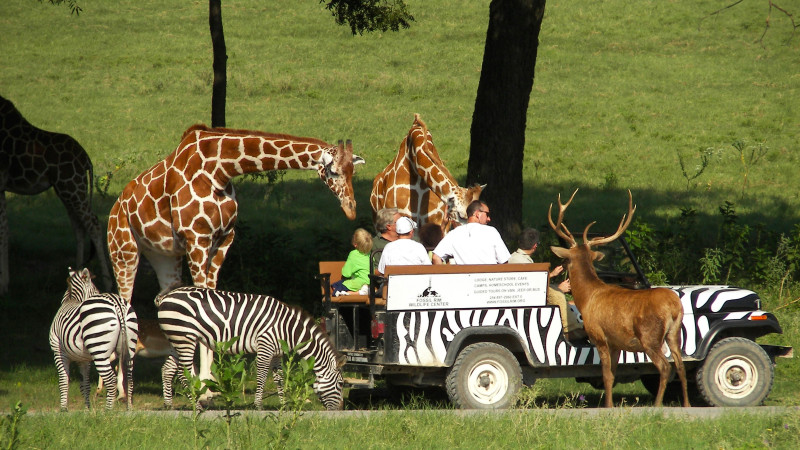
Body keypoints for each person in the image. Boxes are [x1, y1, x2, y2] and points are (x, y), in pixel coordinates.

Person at [509, 228, 583, 339]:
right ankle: (572, 329)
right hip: (528, 299)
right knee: (559, 296)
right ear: (535, 246)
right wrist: (559, 289)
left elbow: (531, 282)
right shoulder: (524, 262)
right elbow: (533, 288)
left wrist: (552, 274)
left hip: (522, 295)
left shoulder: (514, 258)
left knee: (568, 301)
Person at [431, 200, 510, 265]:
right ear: (477, 214)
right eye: (487, 214)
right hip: (487, 282)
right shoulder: (491, 231)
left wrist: (446, 279)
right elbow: (504, 261)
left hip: (464, 282)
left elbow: (435, 257)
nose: (489, 219)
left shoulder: (454, 233)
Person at [331, 228, 373, 296]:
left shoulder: (353, 254)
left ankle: (354, 293)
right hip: (369, 283)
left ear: (355, 244)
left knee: (336, 289)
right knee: (337, 284)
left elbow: (346, 273)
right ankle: (362, 291)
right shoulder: (370, 255)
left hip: (357, 283)